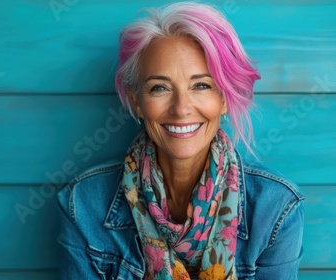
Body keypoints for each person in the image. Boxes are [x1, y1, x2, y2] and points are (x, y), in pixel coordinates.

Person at [57, 2, 304, 279]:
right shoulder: (84, 202)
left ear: (224, 98)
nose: (181, 108)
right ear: (137, 101)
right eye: (159, 87)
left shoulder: (276, 208)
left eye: (201, 85)